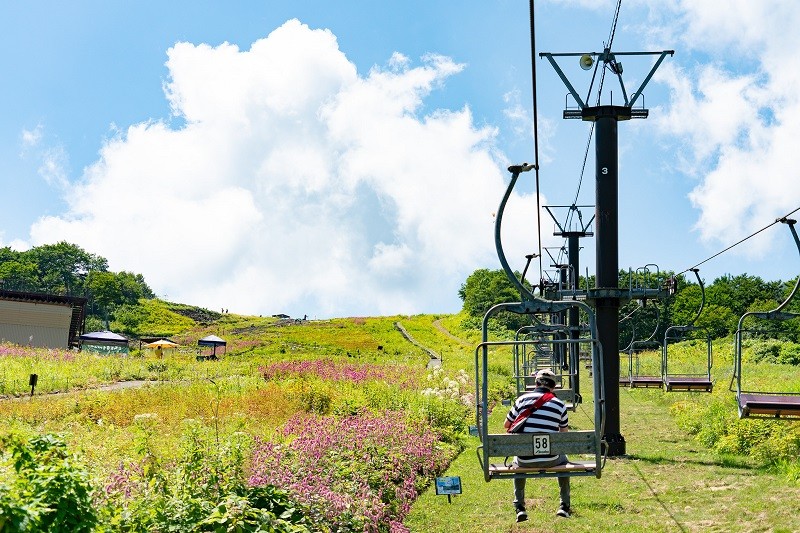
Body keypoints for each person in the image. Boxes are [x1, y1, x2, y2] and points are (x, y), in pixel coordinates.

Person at [503, 368, 571, 522]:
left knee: (517, 459)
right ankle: (564, 506)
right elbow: (564, 436)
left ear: (536, 383)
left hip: (525, 460)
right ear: (554, 386)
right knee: (564, 459)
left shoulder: (522, 400)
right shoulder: (560, 405)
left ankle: (519, 506)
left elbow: (506, 424)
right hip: (552, 459)